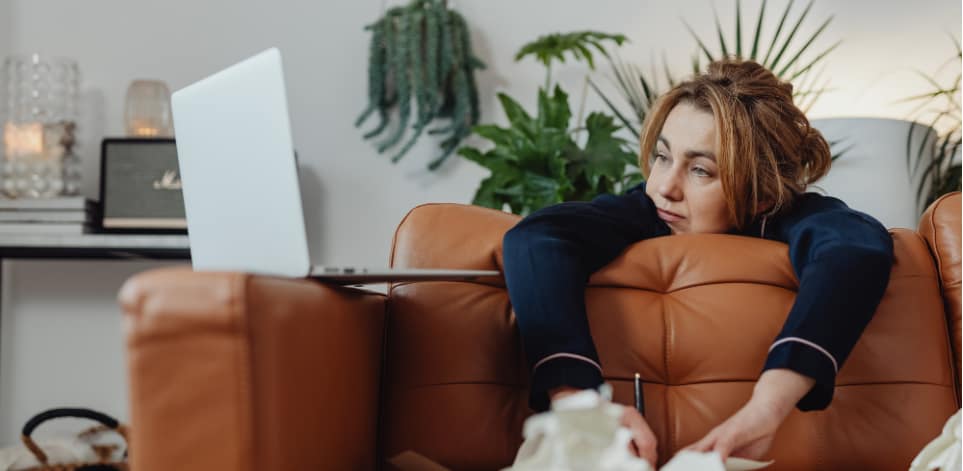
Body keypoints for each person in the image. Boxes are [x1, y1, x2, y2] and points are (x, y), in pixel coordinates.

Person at [501, 58, 894, 468]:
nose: (664, 187)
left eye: (701, 170)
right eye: (663, 156)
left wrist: (766, 408)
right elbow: (536, 238)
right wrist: (582, 410)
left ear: (760, 193)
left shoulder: (788, 215)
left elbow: (856, 247)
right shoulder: (648, 208)